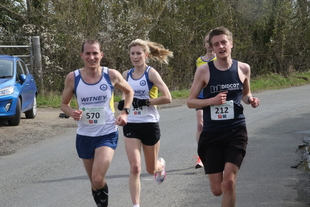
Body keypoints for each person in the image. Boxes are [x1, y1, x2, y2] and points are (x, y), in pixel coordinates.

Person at [187, 27, 260, 207]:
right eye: (216, 44)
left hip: (236, 131)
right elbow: (190, 102)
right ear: (212, 48)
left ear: (231, 44)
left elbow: (245, 94)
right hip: (212, 134)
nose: (221, 46)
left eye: (224, 42)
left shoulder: (243, 68)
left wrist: (250, 99)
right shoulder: (204, 71)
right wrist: (212, 100)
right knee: (217, 190)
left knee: (229, 182)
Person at [60, 39, 134, 207]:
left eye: (95, 53)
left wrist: (125, 113)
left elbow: (129, 92)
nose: (91, 57)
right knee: (94, 182)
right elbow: (64, 104)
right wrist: (72, 112)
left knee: (97, 178)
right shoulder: (73, 78)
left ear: (101, 55)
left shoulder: (111, 75)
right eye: (88, 53)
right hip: (84, 135)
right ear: (82, 55)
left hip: (107, 133)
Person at [118, 39, 173, 207]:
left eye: (139, 53)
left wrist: (145, 102)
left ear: (146, 55)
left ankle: (160, 165)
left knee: (150, 169)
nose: (135, 57)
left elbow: (168, 98)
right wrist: (122, 107)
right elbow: (125, 96)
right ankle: (136, 205)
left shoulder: (151, 73)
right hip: (131, 124)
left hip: (149, 123)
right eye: (132, 54)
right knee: (135, 167)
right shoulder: (126, 75)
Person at [194, 33, 216, 169]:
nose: (209, 44)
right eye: (206, 42)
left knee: (214, 124)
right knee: (200, 125)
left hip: (215, 95)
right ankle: (201, 156)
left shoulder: (219, 58)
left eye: (210, 41)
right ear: (204, 44)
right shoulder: (199, 60)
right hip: (201, 95)